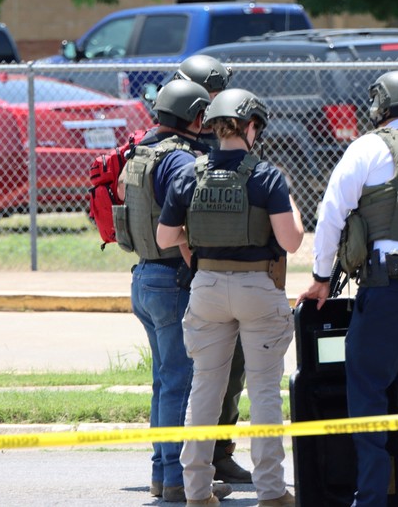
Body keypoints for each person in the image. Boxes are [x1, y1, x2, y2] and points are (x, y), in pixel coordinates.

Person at [299, 70, 398, 507]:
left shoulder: (369, 147)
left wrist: (320, 277)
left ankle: (371, 497)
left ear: (381, 106)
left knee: (367, 387)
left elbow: (333, 211)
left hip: (390, 286)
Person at [157, 88, 305, 506]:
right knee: (263, 392)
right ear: (251, 126)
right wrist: (290, 201)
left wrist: (196, 247)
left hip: (205, 288)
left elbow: (165, 237)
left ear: (215, 127)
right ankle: (273, 493)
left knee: (204, 389)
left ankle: (197, 492)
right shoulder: (268, 176)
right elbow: (291, 242)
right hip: (259, 288)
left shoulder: (190, 173)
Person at [119, 79, 232, 504]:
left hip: (144, 277)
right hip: (172, 281)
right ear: (198, 116)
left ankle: (162, 474)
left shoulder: (140, 153)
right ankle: (178, 481)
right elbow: (180, 228)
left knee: (164, 381)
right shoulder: (181, 162)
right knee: (179, 383)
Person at [173, 54, 253, 485]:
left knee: (231, 370)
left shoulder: (216, 141)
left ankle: (217, 454)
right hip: (194, 273)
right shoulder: (186, 149)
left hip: (213, 273)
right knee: (200, 375)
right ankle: (182, 468)